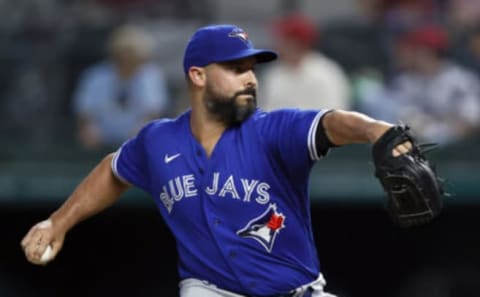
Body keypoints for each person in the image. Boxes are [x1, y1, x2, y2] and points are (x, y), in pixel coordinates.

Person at [21, 24, 412, 297]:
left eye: (252, 69)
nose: (250, 79)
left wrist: (376, 131)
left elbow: (330, 123)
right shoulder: (158, 140)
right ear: (198, 75)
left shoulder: (272, 129)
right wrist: (58, 221)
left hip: (300, 291)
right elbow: (113, 169)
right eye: (235, 68)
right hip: (210, 290)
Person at [72, 23, 170, 150]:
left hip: (134, 141)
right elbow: (84, 113)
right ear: (117, 55)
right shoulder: (96, 76)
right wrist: (88, 130)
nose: (131, 61)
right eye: (127, 55)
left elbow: (153, 113)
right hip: (100, 139)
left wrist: (139, 135)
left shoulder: (151, 76)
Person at [259, 13, 352, 111]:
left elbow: (335, 113)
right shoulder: (273, 74)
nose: (278, 45)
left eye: (283, 40)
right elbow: (265, 111)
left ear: (296, 43)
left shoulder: (326, 73)